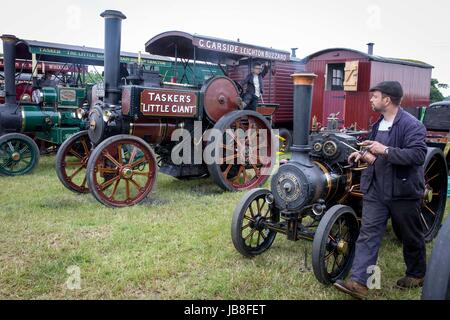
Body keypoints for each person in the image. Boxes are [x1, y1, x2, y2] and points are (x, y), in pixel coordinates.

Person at [333, 81, 428, 299]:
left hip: (403, 191)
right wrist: (364, 155)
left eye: (374, 96)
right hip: (376, 188)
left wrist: (384, 149)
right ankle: (359, 283)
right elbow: (378, 158)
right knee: (368, 234)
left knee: (409, 234)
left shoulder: (412, 125)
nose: (371, 100)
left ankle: (416, 274)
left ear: (387, 99)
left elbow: (417, 155)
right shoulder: (378, 124)